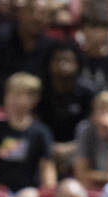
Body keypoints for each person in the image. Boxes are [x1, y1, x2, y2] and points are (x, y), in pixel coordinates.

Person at [0, 72, 56, 197]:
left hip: (27, 193)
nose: (13, 100)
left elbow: (48, 173)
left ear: (33, 99)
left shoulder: (40, 133)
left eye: (20, 95)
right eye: (11, 94)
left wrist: (43, 193)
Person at [36, 41, 95, 170]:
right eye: (57, 60)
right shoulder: (39, 92)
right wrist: (49, 147)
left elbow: (92, 130)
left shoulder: (88, 94)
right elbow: (32, 126)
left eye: (68, 60)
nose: (62, 65)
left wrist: (70, 148)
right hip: (44, 150)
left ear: (78, 64)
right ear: (49, 64)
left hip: (78, 150)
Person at [78, 13, 108, 94]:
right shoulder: (77, 57)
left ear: (107, 31)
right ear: (82, 30)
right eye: (90, 27)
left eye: (98, 28)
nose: (92, 33)